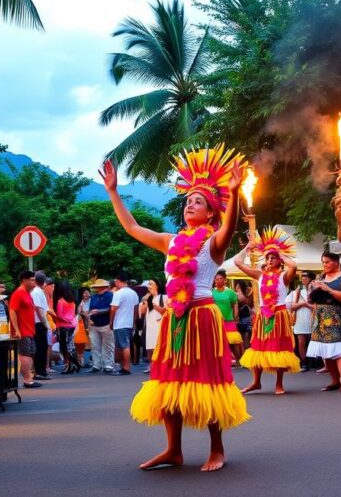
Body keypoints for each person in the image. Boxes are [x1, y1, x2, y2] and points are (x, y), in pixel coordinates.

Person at [101, 147, 249, 472]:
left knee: (206, 383)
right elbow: (133, 228)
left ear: (211, 214)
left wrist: (235, 194)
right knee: (169, 383)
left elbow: (230, 227)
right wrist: (113, 192)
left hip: (203, 318)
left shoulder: (214, 243)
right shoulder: (170, 241)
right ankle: (173, 450)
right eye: (188, 201)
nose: (189, 205)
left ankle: (217, 449)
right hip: (175, 320)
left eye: (198, 202)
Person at [235, 227, 301, 395]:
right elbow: (237, 262)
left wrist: (280, 254)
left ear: (279, 261)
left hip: (279, 315)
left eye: (273, 258)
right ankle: (256, 382)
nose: (270, 260)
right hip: (263, 316)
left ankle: (279, 384)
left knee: (279, 349)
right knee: (258, 348)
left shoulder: (283, 277)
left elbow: (294, 265)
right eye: (268, 257)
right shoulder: (259, 275)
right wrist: (247, 247)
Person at [306, 252, 341, 393]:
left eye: (327, 262)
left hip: (336, 316)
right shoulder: (321, 277)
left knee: (339, 348)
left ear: (336, 262)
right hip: (320, 316)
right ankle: (334, 380)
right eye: (323, 262)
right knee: (325, 349)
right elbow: (311, 299)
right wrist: (313, 288)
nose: (325, 265)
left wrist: (329, 289)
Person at [8, 271, 42, 389]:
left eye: (34, 280)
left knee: (31, 352)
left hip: (29, 330)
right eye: (32, 280)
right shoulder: (18, 293)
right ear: (24, 280)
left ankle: (29, 378)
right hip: (22, 331)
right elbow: (12, 311)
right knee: (25, 353)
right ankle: (27, 380)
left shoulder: (27, 293)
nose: (34, 282)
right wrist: (16, 329)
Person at [110, 272, 140, 375]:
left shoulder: (118, 294)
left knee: (124, 346)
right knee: (122, 345)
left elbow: (113, 309)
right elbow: (136, 309)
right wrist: (134, 322)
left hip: (120, 323)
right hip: (128, 322)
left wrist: (111, 322)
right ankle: (123, 367)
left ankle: (126, 368)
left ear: (118, 281)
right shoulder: (133, 293)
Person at [211, 270, 242, 362]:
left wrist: (236, 315)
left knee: (234, 341)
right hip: (217, 321)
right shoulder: (211, 292)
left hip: (229, 320)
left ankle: (238, 360)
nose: (218, 281)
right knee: (220, 341)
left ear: (225, 280)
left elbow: (235, 304)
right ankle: (224, 360)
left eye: (220, 279)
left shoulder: (230, 292)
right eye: (216, 279)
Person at [139, 279, 167, 374]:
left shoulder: (164, 297)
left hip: (160, 325)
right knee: (150, 346)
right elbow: (142, 312)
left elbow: (165, 311)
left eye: (151, 284)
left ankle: (161, 366)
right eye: (148, 284)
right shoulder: (148, 298)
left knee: (158, 346)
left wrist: (153, 305)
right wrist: (144, 301)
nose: (149, 286)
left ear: (157, 286)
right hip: (150, 324)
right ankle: (152, 366)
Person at [289, 271, 314, 371]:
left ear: (311, 278)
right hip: (300, 319)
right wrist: (303, 304)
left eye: (306, 276)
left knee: (313, 342)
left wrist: (306, 304)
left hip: (312, 319)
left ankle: (316, 361)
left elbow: (316, 307)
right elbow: (292, 307)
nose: (303, 278)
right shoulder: (298, 290)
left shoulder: (315, 290)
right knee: (301, 342)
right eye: (302, 277)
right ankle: (304, 363)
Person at [87, 279, 115, 373]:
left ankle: (108, 365)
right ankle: (96, 365)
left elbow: (111, 308)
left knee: (108, 345)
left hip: (106, 323)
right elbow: (90, 309)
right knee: (95, 345)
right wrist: (90, 318)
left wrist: (98, 311)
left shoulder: (110, 295)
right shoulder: (94, 297)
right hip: (94, 324)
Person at [53, 281, 81, 374]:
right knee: (70, 346)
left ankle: (73, 364)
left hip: (63, 326)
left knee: (64, 348)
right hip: (71, 325)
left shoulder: (60, 301)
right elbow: (73, 313)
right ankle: (72, 365)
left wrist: (52, 314)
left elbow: (60, 315)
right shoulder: (72, 301)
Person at [30, 271, 51, 380]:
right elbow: (39, 309)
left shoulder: (36, 291)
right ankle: (39, 371)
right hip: (39, 323)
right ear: (44, 282)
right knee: (40, 348)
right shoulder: (37, 292)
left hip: (38, 322)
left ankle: (40, 370)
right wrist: (46, 323)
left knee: (41, 347)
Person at [75, 289, 91, 367]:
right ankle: (81, 360)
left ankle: (83, 360)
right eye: (84, 293)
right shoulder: (80, 303)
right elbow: (79, 312)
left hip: (89, 322)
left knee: (88, 342)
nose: (86, 294)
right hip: (83, 323)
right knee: (82, 343)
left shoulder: (91, 301)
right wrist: (83, 313)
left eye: (87, 293)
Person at [236, 283, 253, 350]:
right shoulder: (247, 294)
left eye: (237, 286)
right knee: (248, 334)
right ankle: (249, 347)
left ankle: (243, 349)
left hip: (241, 317)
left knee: (242, 335)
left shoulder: (237, 295)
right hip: (247, 316)